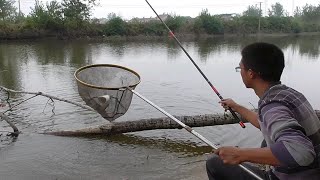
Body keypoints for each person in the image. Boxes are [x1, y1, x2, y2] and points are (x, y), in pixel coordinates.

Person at [206, 42, 320, 180]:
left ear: (251, 73)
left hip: (297, 176)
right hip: (313, 171)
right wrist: (236, 106)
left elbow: (301, 153)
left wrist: (240, 154)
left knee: (214, 163)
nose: (240, 71)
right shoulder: (289, 94)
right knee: (266, 142)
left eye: (240, 68)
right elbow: (265, 124)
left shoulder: (272, 105)